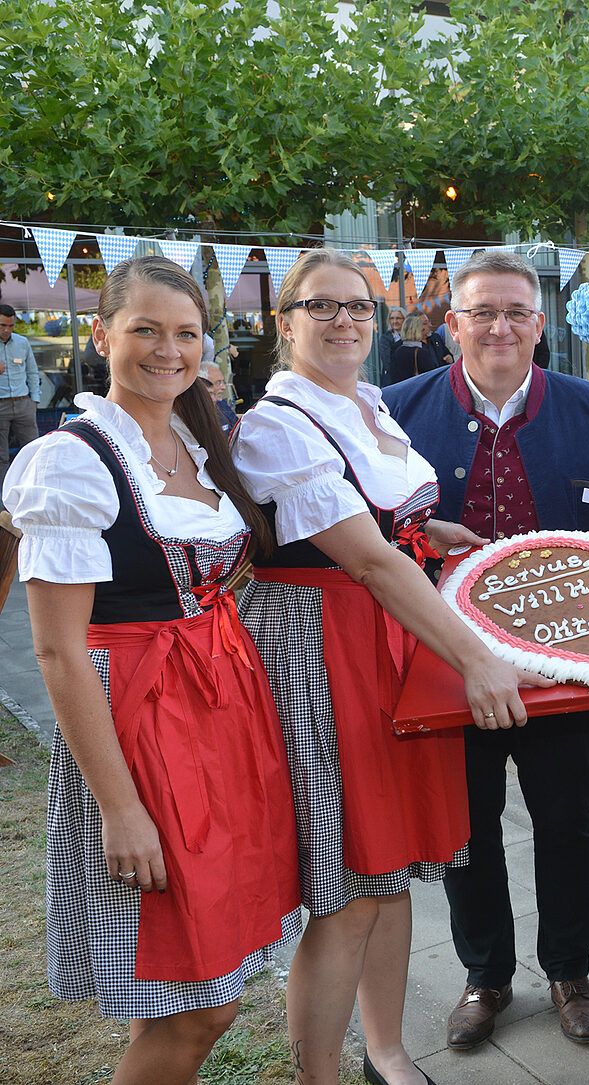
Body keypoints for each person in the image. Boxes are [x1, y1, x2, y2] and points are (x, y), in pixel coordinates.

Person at [233, 249, 547, 1085]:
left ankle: (387, 1051)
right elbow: (365, 561)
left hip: (389, 641)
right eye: (322, 306)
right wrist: (479, 661)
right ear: (285, 320)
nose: (343, 322)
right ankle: (318, 1078)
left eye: (359, 308)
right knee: (346, 891)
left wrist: (431, 532)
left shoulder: (366, 404)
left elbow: (381, 534)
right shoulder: (277, 423)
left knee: (396, 870)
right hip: (330, 653)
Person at [5, 256, 301, 1085]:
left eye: (185, 332)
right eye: (144, 329)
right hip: (142, 724)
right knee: (203, 1005)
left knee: (180, 982)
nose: (166, 350)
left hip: (222, 709)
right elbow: (60, 649)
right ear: (101, 335)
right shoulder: (72, 461)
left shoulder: (198, 443)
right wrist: (119, 808)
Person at [384, 249, 589, 1050]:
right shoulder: (394, 410)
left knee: (568, 818)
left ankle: (569, 968)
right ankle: (484, 975)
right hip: (446, 662)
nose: (499, 326)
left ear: (540, 325)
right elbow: (375, 536)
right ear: (452, 323)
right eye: (481, 312)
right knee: (467, 826)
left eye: (515, 313)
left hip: (562, 667)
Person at [0, 302, 42, 493]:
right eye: (3, 325)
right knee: (1, 457)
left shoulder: (22, 343)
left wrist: (34, 400)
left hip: (23, 403)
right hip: (1, 406)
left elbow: (32, 372)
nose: (7, 330)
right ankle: (4, 503)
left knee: (34, 452)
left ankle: (34, 493)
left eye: (10, 325)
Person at [386, 315, 443, 386]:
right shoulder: (421, 352)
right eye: (422, 329)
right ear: (418, 331)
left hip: (403, 390)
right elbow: (432, 376)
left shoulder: (398, 350)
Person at [199, 362, 238, 433]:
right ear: (203, 385)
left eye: (223, 382)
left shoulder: (222, 404)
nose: (223, 387)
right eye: (218, 383)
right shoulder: (193, 411)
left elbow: (238, 429)